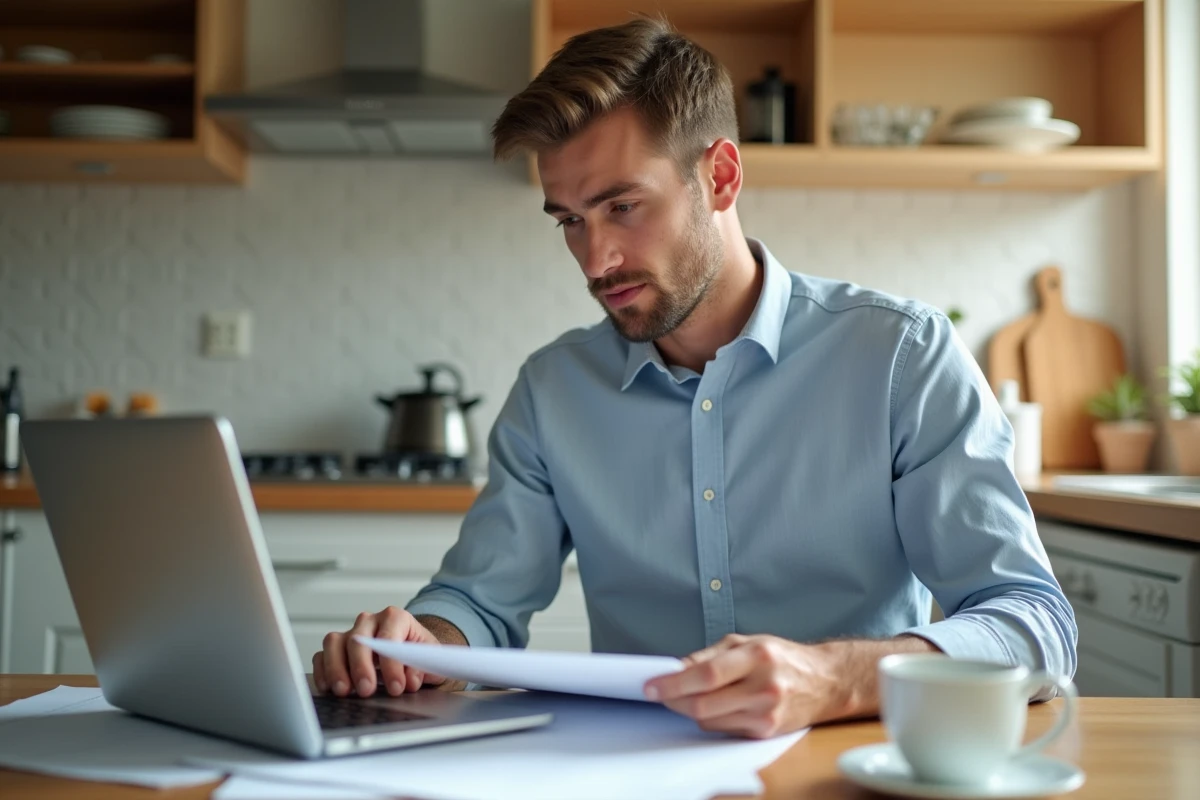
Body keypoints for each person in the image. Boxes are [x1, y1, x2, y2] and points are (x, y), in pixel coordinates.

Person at [314, 17, 1076, 739]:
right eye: (569, 219)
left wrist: (837, 676)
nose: (595, 258)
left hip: (846, 762)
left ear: (719, 175)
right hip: (626, 769)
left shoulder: (900, 357)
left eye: (621, 206)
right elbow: (479, 602)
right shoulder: (553, 392)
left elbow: (1032, 624)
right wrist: (418, 644)